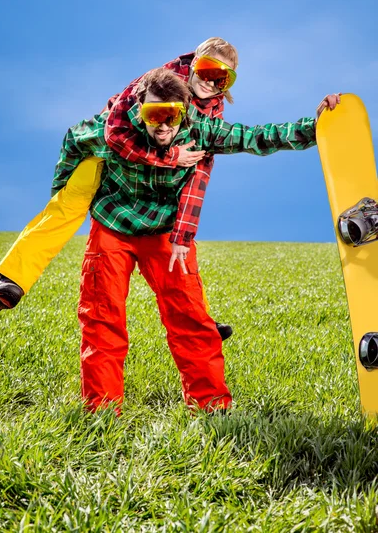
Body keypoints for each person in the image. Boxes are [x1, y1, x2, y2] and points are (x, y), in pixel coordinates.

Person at [48, 67, 339, 413]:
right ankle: (101, 411)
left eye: (173, 115)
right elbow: (72, 138)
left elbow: (258, 137)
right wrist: (62, 197)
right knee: (102, 319)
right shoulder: (113, 128)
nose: (164, 125)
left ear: (186, 111)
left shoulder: (202, 132)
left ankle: (211, 406)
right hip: (113, 226)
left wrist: (317, 125)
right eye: (154, 114)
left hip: (167, 236)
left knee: (189, 317)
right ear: (139, 108)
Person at [0, 38, 239, 341]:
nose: (210, 81)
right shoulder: (157, 81)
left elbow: (201, 164)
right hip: (105, 155)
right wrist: (170, 157)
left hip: (149, 175)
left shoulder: (213, 108)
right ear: (194, 63)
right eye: (207, 70)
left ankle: (201, 319)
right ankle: (10, 279)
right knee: (68, 206)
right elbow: (115, 133)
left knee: (175, 248)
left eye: (222, 78)